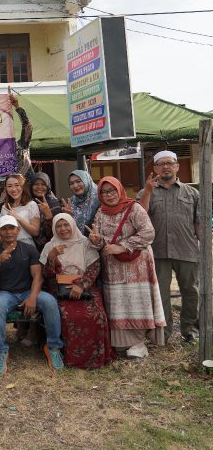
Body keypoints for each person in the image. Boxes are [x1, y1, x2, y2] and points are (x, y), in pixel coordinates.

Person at [89, 177, 165, 358]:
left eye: (112, 190)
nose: (109, 195)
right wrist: (96, 240)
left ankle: (139, 343)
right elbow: (101, 243)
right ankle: (123, 343)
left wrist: (122, 246)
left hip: (137, 267)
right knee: (119, 304)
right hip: (113, 269)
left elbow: (148, 232)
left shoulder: (134, 208)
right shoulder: (101, 212)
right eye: (104, 192)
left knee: (137, 302)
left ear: (119, 189)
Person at [0, 215, 64, 375]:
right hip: (6, 293)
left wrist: (33, 297)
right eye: (4, 229)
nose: (8, 232)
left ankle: (53, 347)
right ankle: (0, 350)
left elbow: (37, 276)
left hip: (28, 291)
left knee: (49, 302)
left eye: (11, 228)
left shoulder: (28, 249)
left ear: (18, 230)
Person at [137, 150, 201, 343]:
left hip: (187, 250)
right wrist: (147, 192)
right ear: (155, 168)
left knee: (191, 291)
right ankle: (163, 333)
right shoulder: (145, 192)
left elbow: (199, 223)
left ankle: (189, 330)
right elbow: (139, 217)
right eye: (161, 163)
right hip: (157, 252)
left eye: (169, 163)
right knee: (160, 293)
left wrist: (206, 248)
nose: (165, 166)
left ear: (177, 166)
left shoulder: (192, 193)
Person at [39, 214, 115, 369]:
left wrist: (81, 285)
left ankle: (95, 358)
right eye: (59, 226)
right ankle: (69, 358)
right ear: (54, 228)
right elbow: (46, 275)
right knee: (67, 315)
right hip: (60, 289)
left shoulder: (85, 243)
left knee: (97, 315)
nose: (63, 229)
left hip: (85, 286)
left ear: (73, 225)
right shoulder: (50, 246)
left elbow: (95, 267)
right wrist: (52, 257)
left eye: (66, 225)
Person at [0, 174, 40, 248]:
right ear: (5, 188)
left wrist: (17, 217)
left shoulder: (31, 205)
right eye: (9, 186)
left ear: (23, 186)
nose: (13, 189)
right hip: (9, 247)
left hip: (27, 247)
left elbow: (35, 232)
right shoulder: (4, 207)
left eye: (17, 185)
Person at [30, 172, 62, 251]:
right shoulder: (26, 203)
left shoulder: (55, 204)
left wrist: (49, 216)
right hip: (30, 248)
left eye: (43, 184)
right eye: (36, 184)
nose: (39, 187)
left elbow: (60, 230)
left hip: (52, 248)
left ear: (48, 186)